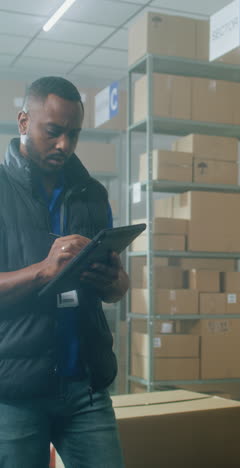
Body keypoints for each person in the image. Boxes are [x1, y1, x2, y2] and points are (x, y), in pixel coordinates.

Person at [0, 76, 129, 468]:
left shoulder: (92, 193)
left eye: (74, 134)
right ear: (23, 122)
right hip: (16, 392)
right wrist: (42, 271)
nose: (65, 146)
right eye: (53, 132)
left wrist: (116, 283)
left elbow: (118, 287)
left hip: (86, 387)